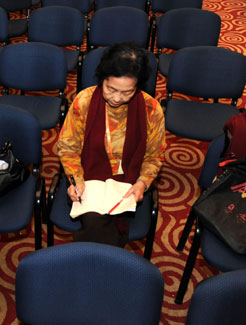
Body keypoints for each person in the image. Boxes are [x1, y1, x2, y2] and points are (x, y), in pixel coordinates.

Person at [55, 42, 166, 247]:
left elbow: (154, 155)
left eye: (127, 92)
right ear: (102, 79)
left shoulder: (151, 108)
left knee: (97, 226)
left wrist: (142, 182)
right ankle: (107, 265)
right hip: (90, 178)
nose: (116, 98)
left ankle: (90, 263)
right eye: (111, 89)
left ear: (138, 86)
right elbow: (68, 147)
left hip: (128, 182)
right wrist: (76, 180)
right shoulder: (84, 101)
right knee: (97, 221)